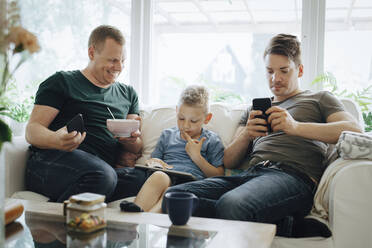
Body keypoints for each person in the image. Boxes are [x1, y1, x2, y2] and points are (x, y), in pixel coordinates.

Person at [163, 34, 363, 237]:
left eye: (284, 71)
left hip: (292, 177)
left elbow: (354, 130)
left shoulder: (319, 99)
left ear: (300, 70)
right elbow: (229, 160)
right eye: (269, 71)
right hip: (251, 176)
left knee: (231, 204)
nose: (275, 79)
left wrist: (295, 127)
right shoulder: (254, 109)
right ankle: (285, 224)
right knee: (174, 196)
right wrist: (247, 135)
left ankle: (252, 216)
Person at [25, 25, 148, 203]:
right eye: (113, 60)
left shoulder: (128, 94)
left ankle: (86, 195)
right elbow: (32, 130)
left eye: (123, 60)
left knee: (143, 178)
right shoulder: (62, 82)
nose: (119, 67)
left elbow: (135, 147)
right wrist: (56, 140)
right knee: (103, 176)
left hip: (100, 169)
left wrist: (132, 141)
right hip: (52, 160)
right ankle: (63, 220)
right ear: (92, 53)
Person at [121, 85, 224, 213]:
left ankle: (142, 218)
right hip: (166, 176)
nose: (186, 125)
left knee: (172, 192)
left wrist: (197, 157)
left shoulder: (211, 140)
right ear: (176, 111)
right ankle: (137, 210)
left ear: (207, 118)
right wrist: (155, 163)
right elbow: (154, 159)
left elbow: (219, 175)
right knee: (159, 175)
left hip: (191, 183)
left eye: (193, 121)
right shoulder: (167, 135)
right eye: (181, 118)